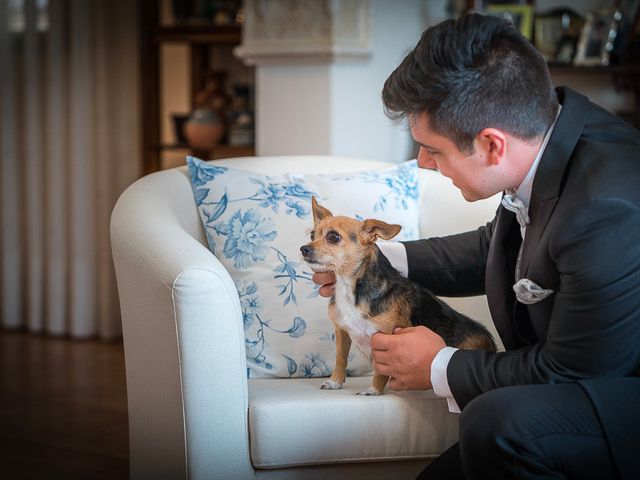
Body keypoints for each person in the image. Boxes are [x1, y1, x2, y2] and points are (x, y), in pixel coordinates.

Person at [313, 13, 640, 480]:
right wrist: (371, 262)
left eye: (433, 149)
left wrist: (440, 364)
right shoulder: (546, 139)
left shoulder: (606, 207)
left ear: (491, 145)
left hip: (617, 398)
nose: (422, 163)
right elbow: (497, 247)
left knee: (494, 423)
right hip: (587, 382)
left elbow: (573, 374)